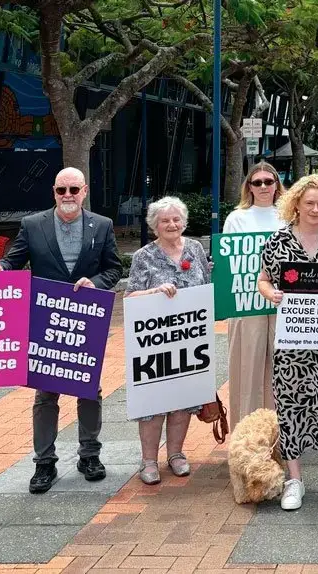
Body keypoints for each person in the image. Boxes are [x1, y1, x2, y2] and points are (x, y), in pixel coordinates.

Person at [0, 167, 122, 494]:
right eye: (61, 190)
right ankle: (44, 462)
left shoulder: (101, 225)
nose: (67, 195)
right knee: (45, 393)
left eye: (74, 189)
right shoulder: (32, 224)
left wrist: (95, 282)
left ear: (84, 191)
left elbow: (113, 269)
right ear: (53, 192)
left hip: (85, 319)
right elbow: (13, 261)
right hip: (46, 319)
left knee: (89, 389)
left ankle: (89, 455)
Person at [258, 174, 318, 511]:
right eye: (309, 202)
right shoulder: (277, 242)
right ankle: (294, 480)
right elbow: (263, 279)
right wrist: (271, 292)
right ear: (296, 204)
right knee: (291, 406)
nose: (315, 209)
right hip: (293, 341)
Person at [124, 197, 211, 484]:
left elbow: (206, 288)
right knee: (153, 401)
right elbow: (130, 297)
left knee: (183, 399)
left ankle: (176, 454)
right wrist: (154, 293)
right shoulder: (143, 257)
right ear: (154, 226)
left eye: (176, 219)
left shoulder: (196, 249)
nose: (171, 224)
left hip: (189, 339)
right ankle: (149, 460)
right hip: (155, 342)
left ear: (184, 222)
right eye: (165, 221)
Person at [223, 162, 285, 427]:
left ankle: (281, 435)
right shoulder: (236, 218)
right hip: (246, 303)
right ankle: (246, 433)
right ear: (248, 186)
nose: (263, 187)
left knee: (281, 370)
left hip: (283, 302)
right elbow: (228, 262)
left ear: (276, 185)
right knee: (246, 370)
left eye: (268, 182)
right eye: (257, 182)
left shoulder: (288, 216)